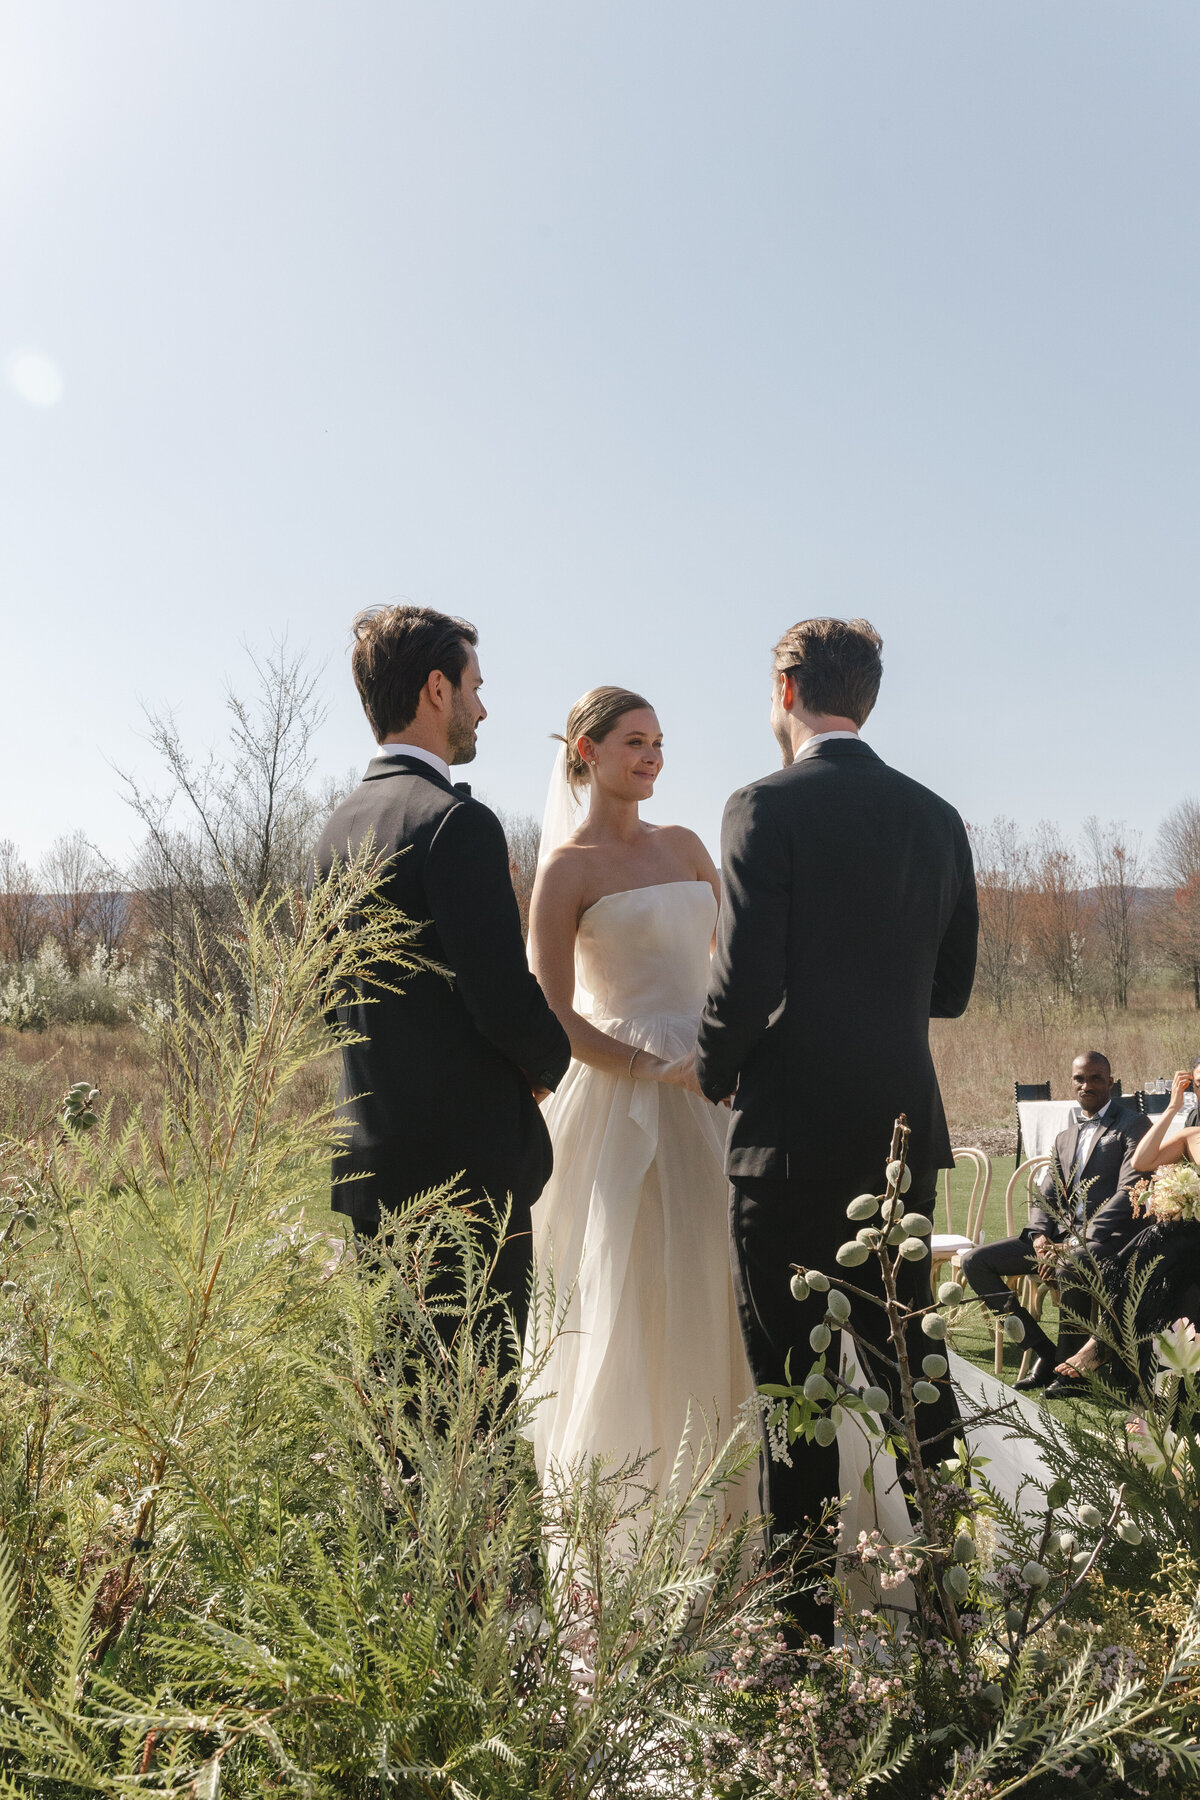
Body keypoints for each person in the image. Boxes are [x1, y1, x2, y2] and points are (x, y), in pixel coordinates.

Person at [696, 617, 978, 1642]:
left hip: (785, 1141)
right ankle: (950, 1601)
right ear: (867, 696)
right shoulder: (936, 817)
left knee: (790, 1390)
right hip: (903, 1138)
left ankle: (804, 1637)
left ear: (785, 689)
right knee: (915, 1377)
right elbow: (949, 989)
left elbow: (745, 980)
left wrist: (713, 1072)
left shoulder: (762, 806)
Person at [524, 687, 755, 1513]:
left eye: (659, 741)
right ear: (586, 751)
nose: (652, 755)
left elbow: (740, 970)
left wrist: (723, 1056)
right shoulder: (567, 871)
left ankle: (743, 1505)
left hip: (715, 1084)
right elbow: (551, 1013)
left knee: (727, 1277)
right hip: (620, 1098)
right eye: (633, 741)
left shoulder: (690, 845)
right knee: (634, 1294)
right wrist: (650, 1067)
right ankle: (639, 1514)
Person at [312, 605, 571, 1339]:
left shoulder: (338, 829)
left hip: (373, 1166)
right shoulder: (456, 823)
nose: (482, 707)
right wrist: (554, 1061)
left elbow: (336, 997)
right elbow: (499, 997)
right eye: (474, 686)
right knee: (470, 1419)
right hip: (462, 1183)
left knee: (399, 1415)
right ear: (436, 690)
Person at [959, 1052, 1150, 1393]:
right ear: (1072, 1082)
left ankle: (1071, 1373)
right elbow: (1046, 1196)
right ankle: (1043, 1351)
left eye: (1095, 1078)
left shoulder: (1133, 1125)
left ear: (1110, 1080)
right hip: (1058, 1240)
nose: (1086, 1085)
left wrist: (1073, 1244)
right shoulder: (1066, 1136)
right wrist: (1038, 1240)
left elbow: (1130, 1191)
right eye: (1079, 1078)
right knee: (975, 1261)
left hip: (1107, 1240)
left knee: (1069, 1265)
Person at [1052, 1062, 1200, 1395]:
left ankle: (1101, 1345)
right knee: (1161, 1251)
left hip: (1186, 1242)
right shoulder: (1193, 1135)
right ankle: (1140, 1382)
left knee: (1162, 1238)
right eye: (1199, 1086)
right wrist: (1174, 1107)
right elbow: (1142, 1161)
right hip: (1189, 1242)